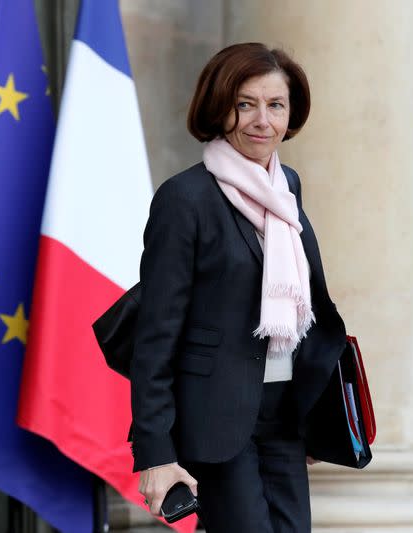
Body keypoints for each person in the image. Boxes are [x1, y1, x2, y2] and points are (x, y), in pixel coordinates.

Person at [130, 42, 347, 533]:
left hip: (285, 416)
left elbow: (310, 302)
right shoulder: (184, 199)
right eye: (245, 103)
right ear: (218, 106)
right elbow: (156, 337)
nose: (261, 121)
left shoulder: (286, 187)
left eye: (276, 106)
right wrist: (156, 453)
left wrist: (316, 411)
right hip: (216, 420)